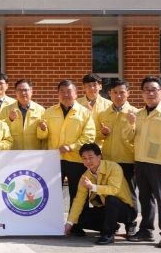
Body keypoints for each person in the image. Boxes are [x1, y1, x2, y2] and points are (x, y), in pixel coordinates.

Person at [128, 76, 161, 248]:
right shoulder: (138, 114)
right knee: (145, 199)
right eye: (146, 90)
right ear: (142, 93)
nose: (150, 93)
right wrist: (130, 125)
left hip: (160, 165)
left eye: (153, 90)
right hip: (140, 163)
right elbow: (130, 139)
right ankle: (146, 230)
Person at [44, 79, 95, 224]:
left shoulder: (85, 113)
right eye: (62, 91)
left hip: (77, 160)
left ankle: (77, 225)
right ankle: (51, 224)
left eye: (69, 91)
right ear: (58, 94)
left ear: (76, 94)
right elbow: (42, 136)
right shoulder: (49, 112)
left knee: (78, 194)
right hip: (55, 160)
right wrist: (42, 130)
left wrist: (71, 147)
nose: (65, 94)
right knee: (52, 193)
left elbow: (89, 137)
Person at [65, 143, 137, 245]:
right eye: (84, 158)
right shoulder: (85, 176)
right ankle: (112, 226)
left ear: (99, 156)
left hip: (126, 210)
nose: (87, 161)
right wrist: (69, 223)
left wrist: (93, 187)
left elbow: (114, 190)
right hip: (106, 209)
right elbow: (78, 201)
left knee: (111, 199)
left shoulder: (114, 167)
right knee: (79, 219)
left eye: (91, 157)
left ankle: (108, 234)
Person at [95, 78, 138, 217]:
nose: (118, 96)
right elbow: (95, 136)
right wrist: (102, 133)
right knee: (107, 193)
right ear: (109, 93)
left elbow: (140, 138)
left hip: (128, 160)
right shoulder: (103, 114)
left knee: (129, 193)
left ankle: (131, 222)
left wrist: (132, 123)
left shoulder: (136, 113)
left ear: (128, 93)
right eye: (115, 92)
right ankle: (110, 223)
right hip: (108, 161)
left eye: (122, 92)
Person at [0, 79, 47, 150]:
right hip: (12, 152)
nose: (23, 93)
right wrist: (10, 119)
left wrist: (43, 129)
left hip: (33, 152)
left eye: (25, 90)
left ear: (31, 91)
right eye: (20, 90)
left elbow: (44, 137)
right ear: (15, 92)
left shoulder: (40, 110)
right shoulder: (6, 109)